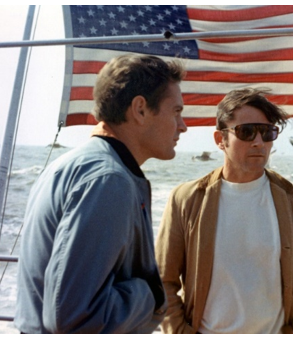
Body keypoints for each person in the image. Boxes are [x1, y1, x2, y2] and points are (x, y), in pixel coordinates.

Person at [14, 54, 186, 333]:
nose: (183, 126)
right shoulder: (108, 180)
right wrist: (152, 294)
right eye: (176, 111)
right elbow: (74, 317)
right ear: (140, 109)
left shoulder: (68, 165)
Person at [155, 88, 293, 333]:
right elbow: (162, 282)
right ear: (220, 140)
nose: (259, 142)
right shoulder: (186, 201)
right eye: (247, 132)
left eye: (268, 132)